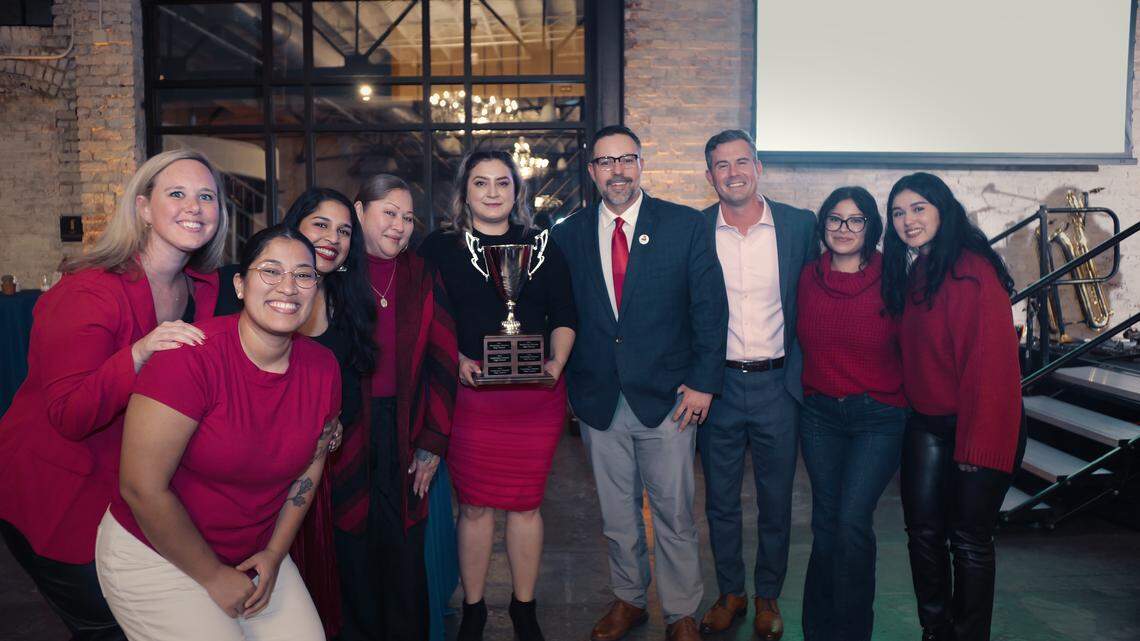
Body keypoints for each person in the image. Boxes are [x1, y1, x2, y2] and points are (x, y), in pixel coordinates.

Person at [0, 149, 228, 640]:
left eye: (206, 196)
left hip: (127, 489)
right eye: (177, 193)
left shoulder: (202, 291)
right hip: (58, 492)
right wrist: (139, 352)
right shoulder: (89, 291)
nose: (195, 206)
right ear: (144, 208)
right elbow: (69, 415)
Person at [96, 226, 341, 640]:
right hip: (159, 553)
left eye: (304, 275)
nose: (289, 286)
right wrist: (211, 576)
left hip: (252, 552)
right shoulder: (190, 359)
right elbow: (141, 487)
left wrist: (275, 553)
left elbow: (310, 468)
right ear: (241, 285)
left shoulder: (323, 367)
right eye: (271, 271)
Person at [550, 125, 727, 641]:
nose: (618, 171)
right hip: (599, 398)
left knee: (674, 512)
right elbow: (563, 313)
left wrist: (703, 382)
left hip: (670, 397)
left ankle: (681, 611)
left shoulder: (684, 225)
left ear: (641, 164)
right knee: (616, 514)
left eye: (626, 159)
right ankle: (629, 599)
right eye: (606, 162)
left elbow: (710, 310)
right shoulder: (568, 234)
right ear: (592, 172)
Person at [418, 150, 576, 641]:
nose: (492, 193)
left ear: (516, 191)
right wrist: (455, 359)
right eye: (481, 183)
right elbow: (423, 317)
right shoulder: (439, 248)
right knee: (476, 507)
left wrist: (556, 364)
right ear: (464, 191)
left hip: (534, 398)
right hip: (471, 398)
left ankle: (524, 608)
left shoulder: (542, 244)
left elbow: (566, 313)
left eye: (502, 184)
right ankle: (474, 608)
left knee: (527, 505)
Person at [213, 187, 376, 637]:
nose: (332, 237)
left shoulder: (349, 304)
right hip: (244, 469)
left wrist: (336, 424)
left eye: (344, 231)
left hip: (311, 475)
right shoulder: (247, 287)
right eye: (320, 224)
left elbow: (350, 387)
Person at [881, 172, 1025, 641]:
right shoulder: (920, 268)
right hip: (928, 425)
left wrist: (975, 447)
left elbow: (989, 370)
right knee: (923, 534)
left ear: (943, 209)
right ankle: (936, 630)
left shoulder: (971, 269)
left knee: (968, 540)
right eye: (898, 213)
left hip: (979, 425)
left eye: (918, 208)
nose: (907, 220)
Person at [695, 129, 817, 641]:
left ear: (758, 166)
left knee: (776, 499)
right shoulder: (695, 229)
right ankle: (731, 594)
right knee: (720, 500)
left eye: (741, 162)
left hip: (778, 385)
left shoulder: (798, 226)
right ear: (710, 176)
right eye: (721, 166)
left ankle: (767, 595)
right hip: (716, 386)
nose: (733, 173)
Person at [334, 173, 458, 641]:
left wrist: (432, 442)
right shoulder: (334, 272)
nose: (400, 226)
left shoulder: (421, 273)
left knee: (405, 555)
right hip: (345, 432)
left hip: (406, 429)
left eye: (408, 217)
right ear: (360, 211)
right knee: (352, 550)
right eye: (390, 213)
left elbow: (444, 359)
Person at [796, 186, 906, 641]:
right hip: (820, 415)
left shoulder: (894, 276)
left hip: (877, 416)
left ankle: (852, 632)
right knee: (824, 524)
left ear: (871, 227)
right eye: (835, 220)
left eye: (855, 220)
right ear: (823, 226)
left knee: (851, 523)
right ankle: (819, 631)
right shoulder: (806, 277)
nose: (844, 229)